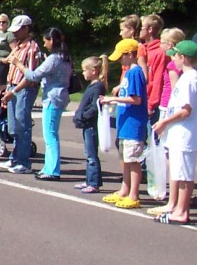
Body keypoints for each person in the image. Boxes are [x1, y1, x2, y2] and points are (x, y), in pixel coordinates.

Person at [11, 27, 73, 180]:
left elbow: (34, 75)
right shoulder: (66, 57)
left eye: (46, 41)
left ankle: (53, 170)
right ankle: (48, 167)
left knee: (50, 135)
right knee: (51, 134)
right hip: (61, 96)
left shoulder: (54, 58)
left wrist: (19, 64)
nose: (44, 44)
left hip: (52, 98)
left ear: (52, 40)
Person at [151, 40, 197, 225]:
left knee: (185, 175)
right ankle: (178, 208)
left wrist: (164, 121)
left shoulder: (190, 79)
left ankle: (182, 212)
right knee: (179, 172)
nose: (173, 59)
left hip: (185, 134)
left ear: (183, 58)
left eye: (175, 56)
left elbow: (186, 110)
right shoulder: (185, 78)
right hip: (178, 133)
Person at [99, 38, 148, 209]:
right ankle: (124, 190)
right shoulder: (128, 73)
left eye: (121, 57)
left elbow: (136, 99)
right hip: (125, 124)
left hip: (133, 124)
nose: (120, 60)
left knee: (133, 160)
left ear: (130, 54)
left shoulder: (135, 72)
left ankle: (134, 195)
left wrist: (112, 99)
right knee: (125, 159)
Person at [0, 15, 41, 174]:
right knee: (14, 127)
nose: (15, 33)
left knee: (22, 126)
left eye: (18, 30)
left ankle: (24, 162)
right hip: (12, 86)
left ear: (26, 28)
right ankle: (15, 158)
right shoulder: (17, 46)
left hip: (23, 89)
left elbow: (30, 75)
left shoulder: (32, 48)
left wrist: (14, 90)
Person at [72, 57, 106, 193]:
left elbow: (95, 107)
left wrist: (83, 116)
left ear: (94, 71)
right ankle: (89, 180)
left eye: (85, 70)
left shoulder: (98, 87)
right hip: (87, 124)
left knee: (92, 155)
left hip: (91, 124)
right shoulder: (92, 86)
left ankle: (94, 183)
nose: (83, 73)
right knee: (88, 153)